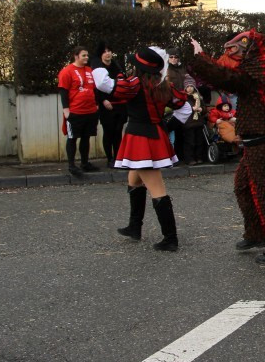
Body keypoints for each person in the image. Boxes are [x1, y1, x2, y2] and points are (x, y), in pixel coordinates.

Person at [191, 30, 265, 265]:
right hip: (262, 142)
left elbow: (225, 78)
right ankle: (256, 233)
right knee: (243, 187)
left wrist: (200, 57)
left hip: (263, 144)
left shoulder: (257, 75)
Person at [91, 46, 191, 251]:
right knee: (134, 180)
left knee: (157, 189)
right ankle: (134, 227)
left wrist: (96, 64)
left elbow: (103, 83)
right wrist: (167, 126)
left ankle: (170, 239)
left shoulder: (136, 84)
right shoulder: (164, 85)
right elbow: (186, 108)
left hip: (141, 140)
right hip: (150, 136)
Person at [58, 45, 99, 176]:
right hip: (75, 111)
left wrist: (97, 104)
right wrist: (66, 110)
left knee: (86, 138)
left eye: (87, 55)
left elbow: (95, 88)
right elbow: (63, 91)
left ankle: (85, 163)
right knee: (72, 138)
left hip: (90, 111)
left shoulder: (89, 70)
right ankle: (71, 165)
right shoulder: (67, 71)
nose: (86, 57)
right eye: (83, 55)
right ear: (76, 56)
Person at [91, 41, 126, 165]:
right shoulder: (97, 68)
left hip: (120, 104)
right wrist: (103, 100)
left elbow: (123, 82)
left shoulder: (117, 65)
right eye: (104, 52)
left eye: (109, 51)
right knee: (108, 132)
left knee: (118, 131)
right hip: (106, 105)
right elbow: (96, 86)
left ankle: (118, 157)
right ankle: (109, 158)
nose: (107, 54)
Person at [181, 82, 206, 164]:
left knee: (199, 141)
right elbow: (181, 110)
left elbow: (204, 108)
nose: (189, 88)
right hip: (188, 123)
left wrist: (201, 109)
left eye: (191, 86)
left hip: (198, 122)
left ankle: (199, 157)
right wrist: (192, 109)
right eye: (187, 86)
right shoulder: (183, 98)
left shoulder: (198, 97)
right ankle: (190, 159)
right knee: (190, 142)